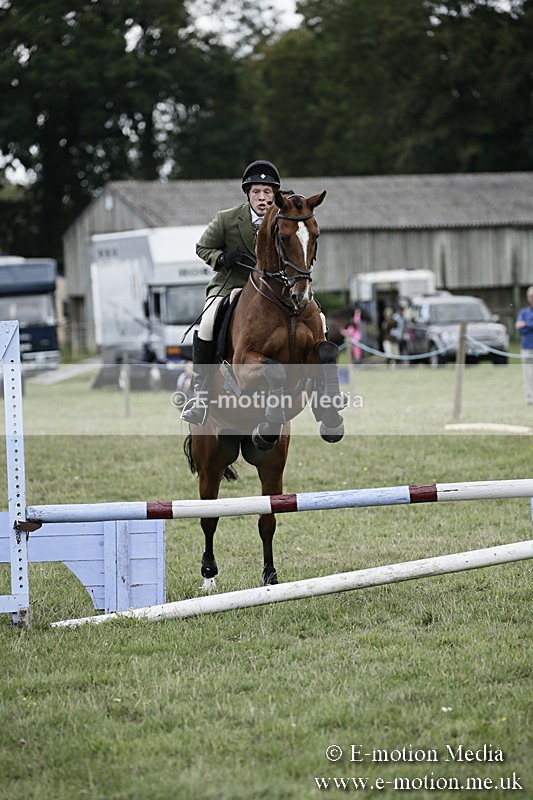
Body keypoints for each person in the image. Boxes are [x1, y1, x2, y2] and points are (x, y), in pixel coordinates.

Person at [181, 160, 282, 424]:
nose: (262, 197)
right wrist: (223, 258)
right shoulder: (226, 219)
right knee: (207, 322)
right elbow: (202, 247)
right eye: (257, 191)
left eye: (268, 191)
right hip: (231, 285)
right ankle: (200, 394)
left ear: (275, 194)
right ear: (248, 194)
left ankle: (323, 386)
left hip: (272, 293)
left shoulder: (283, 220)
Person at [515, 285, 533, 405]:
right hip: (526, 347)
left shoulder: (524, 317)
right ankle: (530, 398)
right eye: (531, 296)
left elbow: (523, 326)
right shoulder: (523, 312)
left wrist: (525, 325)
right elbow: (519, 329)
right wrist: (528, 326)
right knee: (528, 374)